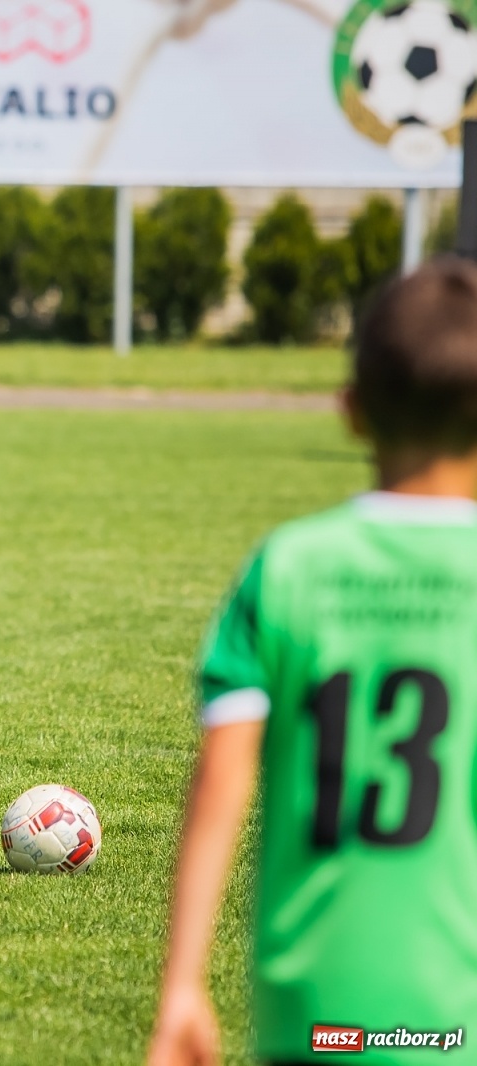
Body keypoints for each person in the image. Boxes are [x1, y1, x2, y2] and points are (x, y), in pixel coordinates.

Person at [148, 258, 477, 1066]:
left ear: (353, 413)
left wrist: (184, 982)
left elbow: (223, 780)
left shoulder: (288, 566)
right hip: (455, 1017)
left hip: (319, 1013)